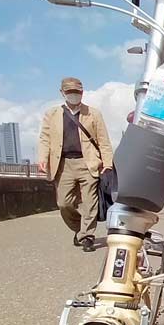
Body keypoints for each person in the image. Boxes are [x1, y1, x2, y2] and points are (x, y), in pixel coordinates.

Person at [36, 77, 115, 252]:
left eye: (77, 92)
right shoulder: (52, 114)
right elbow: (45, 139)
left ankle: (87, 236)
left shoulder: (93, 114)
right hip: (63, 164)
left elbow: (103, 141)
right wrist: (42, 158)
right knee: (64, 203)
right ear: (62, 93)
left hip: (88, 162)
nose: (74, 96)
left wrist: (107, 163)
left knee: (89, 201)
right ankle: (79, 229)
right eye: (70, 92)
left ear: (82, 93)